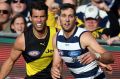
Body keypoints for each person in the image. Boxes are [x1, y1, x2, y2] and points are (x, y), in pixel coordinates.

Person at [51, 3, 114, 79]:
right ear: (58, 19)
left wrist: (97, 56)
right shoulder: (56, 38)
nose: (67, 20)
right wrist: (54, 70)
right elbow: (57, 65)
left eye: (70, 16)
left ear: (75, 19)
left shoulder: (84, 36)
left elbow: (111, 58)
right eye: (64, 16)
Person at [0, 1, 57, 79]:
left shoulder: (57, 34)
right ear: (30, 18)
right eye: (35, 17)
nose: (39, 20)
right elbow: (10, 61)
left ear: (47, 17)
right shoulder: (22, 40)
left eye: (42, 16)